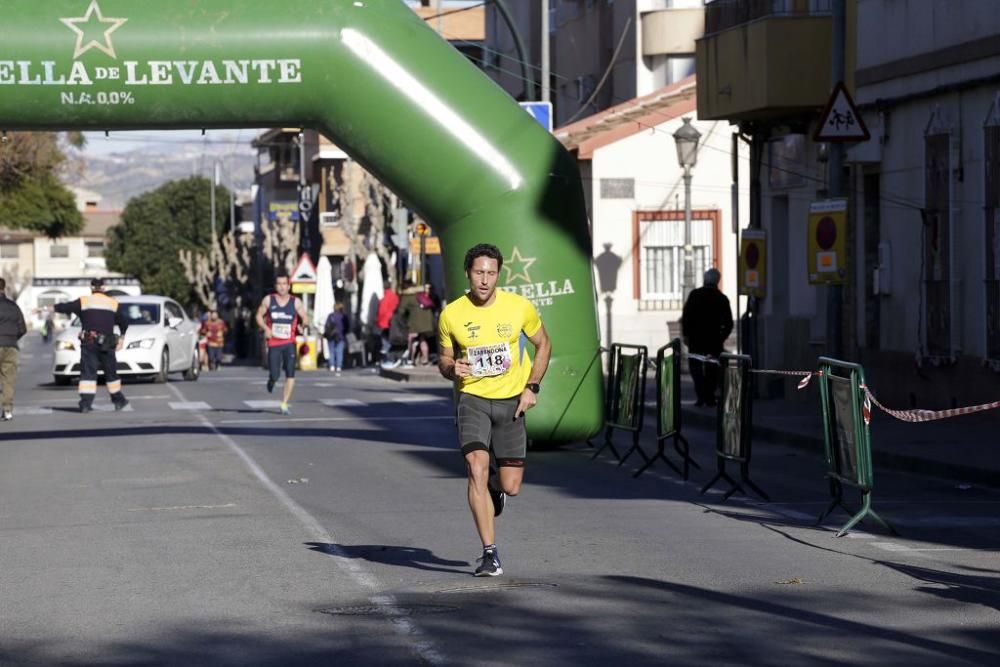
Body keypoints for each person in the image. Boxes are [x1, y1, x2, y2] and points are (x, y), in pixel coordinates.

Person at [438, 243, 552, 577]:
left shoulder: (519, 308)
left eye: (491, 273)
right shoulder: (452, 314)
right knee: (476, 464)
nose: (485, 280)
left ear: (499, 274)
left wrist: (532, 386)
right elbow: (444, 359)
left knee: (511, 484)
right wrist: (451, 368)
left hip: (511, 402)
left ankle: (495, 490)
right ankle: (490, 553)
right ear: (468, 273)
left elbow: (544, 343)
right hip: (472, 399)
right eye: (478, 273)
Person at [54, 277, 129, 413]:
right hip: (107, 343)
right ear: (104, 288)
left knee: (88, 373)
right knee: (111, 373)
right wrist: (122, 339)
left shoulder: (84, 301)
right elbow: (124, 323)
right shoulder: (113, 303)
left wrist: (48, 308)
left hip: (89, 342)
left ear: (91, 288)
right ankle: (118, 401)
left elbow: (65, 307)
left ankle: (85, 404)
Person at [255, 273, 310, 415]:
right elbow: (258, 316)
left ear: (289, 285)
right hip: (274, 343)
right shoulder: (268, 300)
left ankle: (284, 403)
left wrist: (302, 326)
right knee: (275, 373)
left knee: (290, 374)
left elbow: (305, 317)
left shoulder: (295, 302)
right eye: (279, 284)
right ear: (275, 286)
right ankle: (272, 380)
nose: (282, 287)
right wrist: (266, 328)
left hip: (289, 342)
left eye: (284, 284)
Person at [680, 268, 734, 407]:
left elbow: (686, 317)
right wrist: (722, 337)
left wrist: (686, 335)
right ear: (718, 281)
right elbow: (729, 323)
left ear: (704, 280)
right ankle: (709, 397)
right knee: (712, 370)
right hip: (713, 341)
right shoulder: (722, 298)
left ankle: (701, 397)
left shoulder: (695, 295)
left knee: (696, 369)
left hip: (695, 340)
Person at [0, 278, 27, 421]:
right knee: (8, 380)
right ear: (4, 288)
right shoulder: (14, 307)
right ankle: (7, 410)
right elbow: (23, 328)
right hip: (11, 346)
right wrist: (12, 338)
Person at [401, 279, 435, 366]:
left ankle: (410, 360)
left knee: (411, 340)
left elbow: (401, 310)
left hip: (415, 323)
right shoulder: (421, 293)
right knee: (422, 340)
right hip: (426, 322)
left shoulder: (407, 296)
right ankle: (425, 360)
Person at [375, 281, 400, 364]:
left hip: (384, 323)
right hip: (393, 322)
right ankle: (392, 357)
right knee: (391, 340)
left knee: (385, 342)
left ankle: (388, 359)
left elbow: (381, 311)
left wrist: (378, 322)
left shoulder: (384, 298)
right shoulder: (395, 297)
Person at [323, 302, 349, 375]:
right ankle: (339, 366)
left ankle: (332, 365)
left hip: (331, 336)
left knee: (331, 351)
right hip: (341, 336)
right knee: (339, 351)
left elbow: (326, 326)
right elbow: (347, 326)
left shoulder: (331, 316)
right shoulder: (344, 316)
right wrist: (344, 333)